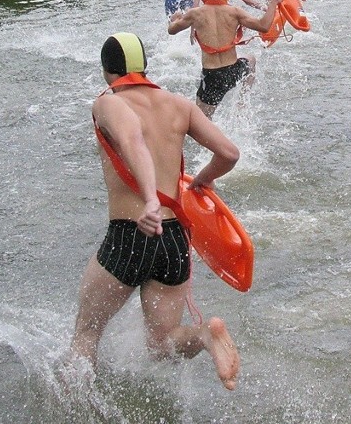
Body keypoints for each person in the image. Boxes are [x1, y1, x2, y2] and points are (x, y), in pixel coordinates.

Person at [69, 32, 241, 391]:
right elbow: (229, 153)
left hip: (133, 233)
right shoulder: (178, 104)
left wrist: (150, 200)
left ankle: (75, 403)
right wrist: (201, 182)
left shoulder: (109, 103)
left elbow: (132, 139)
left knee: (87, 330)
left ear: (107, 72)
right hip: (175, 239)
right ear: (144, 67)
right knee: (162, 344)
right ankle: (206, 337)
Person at [168, 0, 282, 119]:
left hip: (212, 76)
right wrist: (273, 3)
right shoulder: (234, 12)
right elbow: (264, 26)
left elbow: (172, 31)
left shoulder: (195, 13)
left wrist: (174, 19)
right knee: (251, 60)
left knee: (200, 121)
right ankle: (242, 102)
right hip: (233, 71)